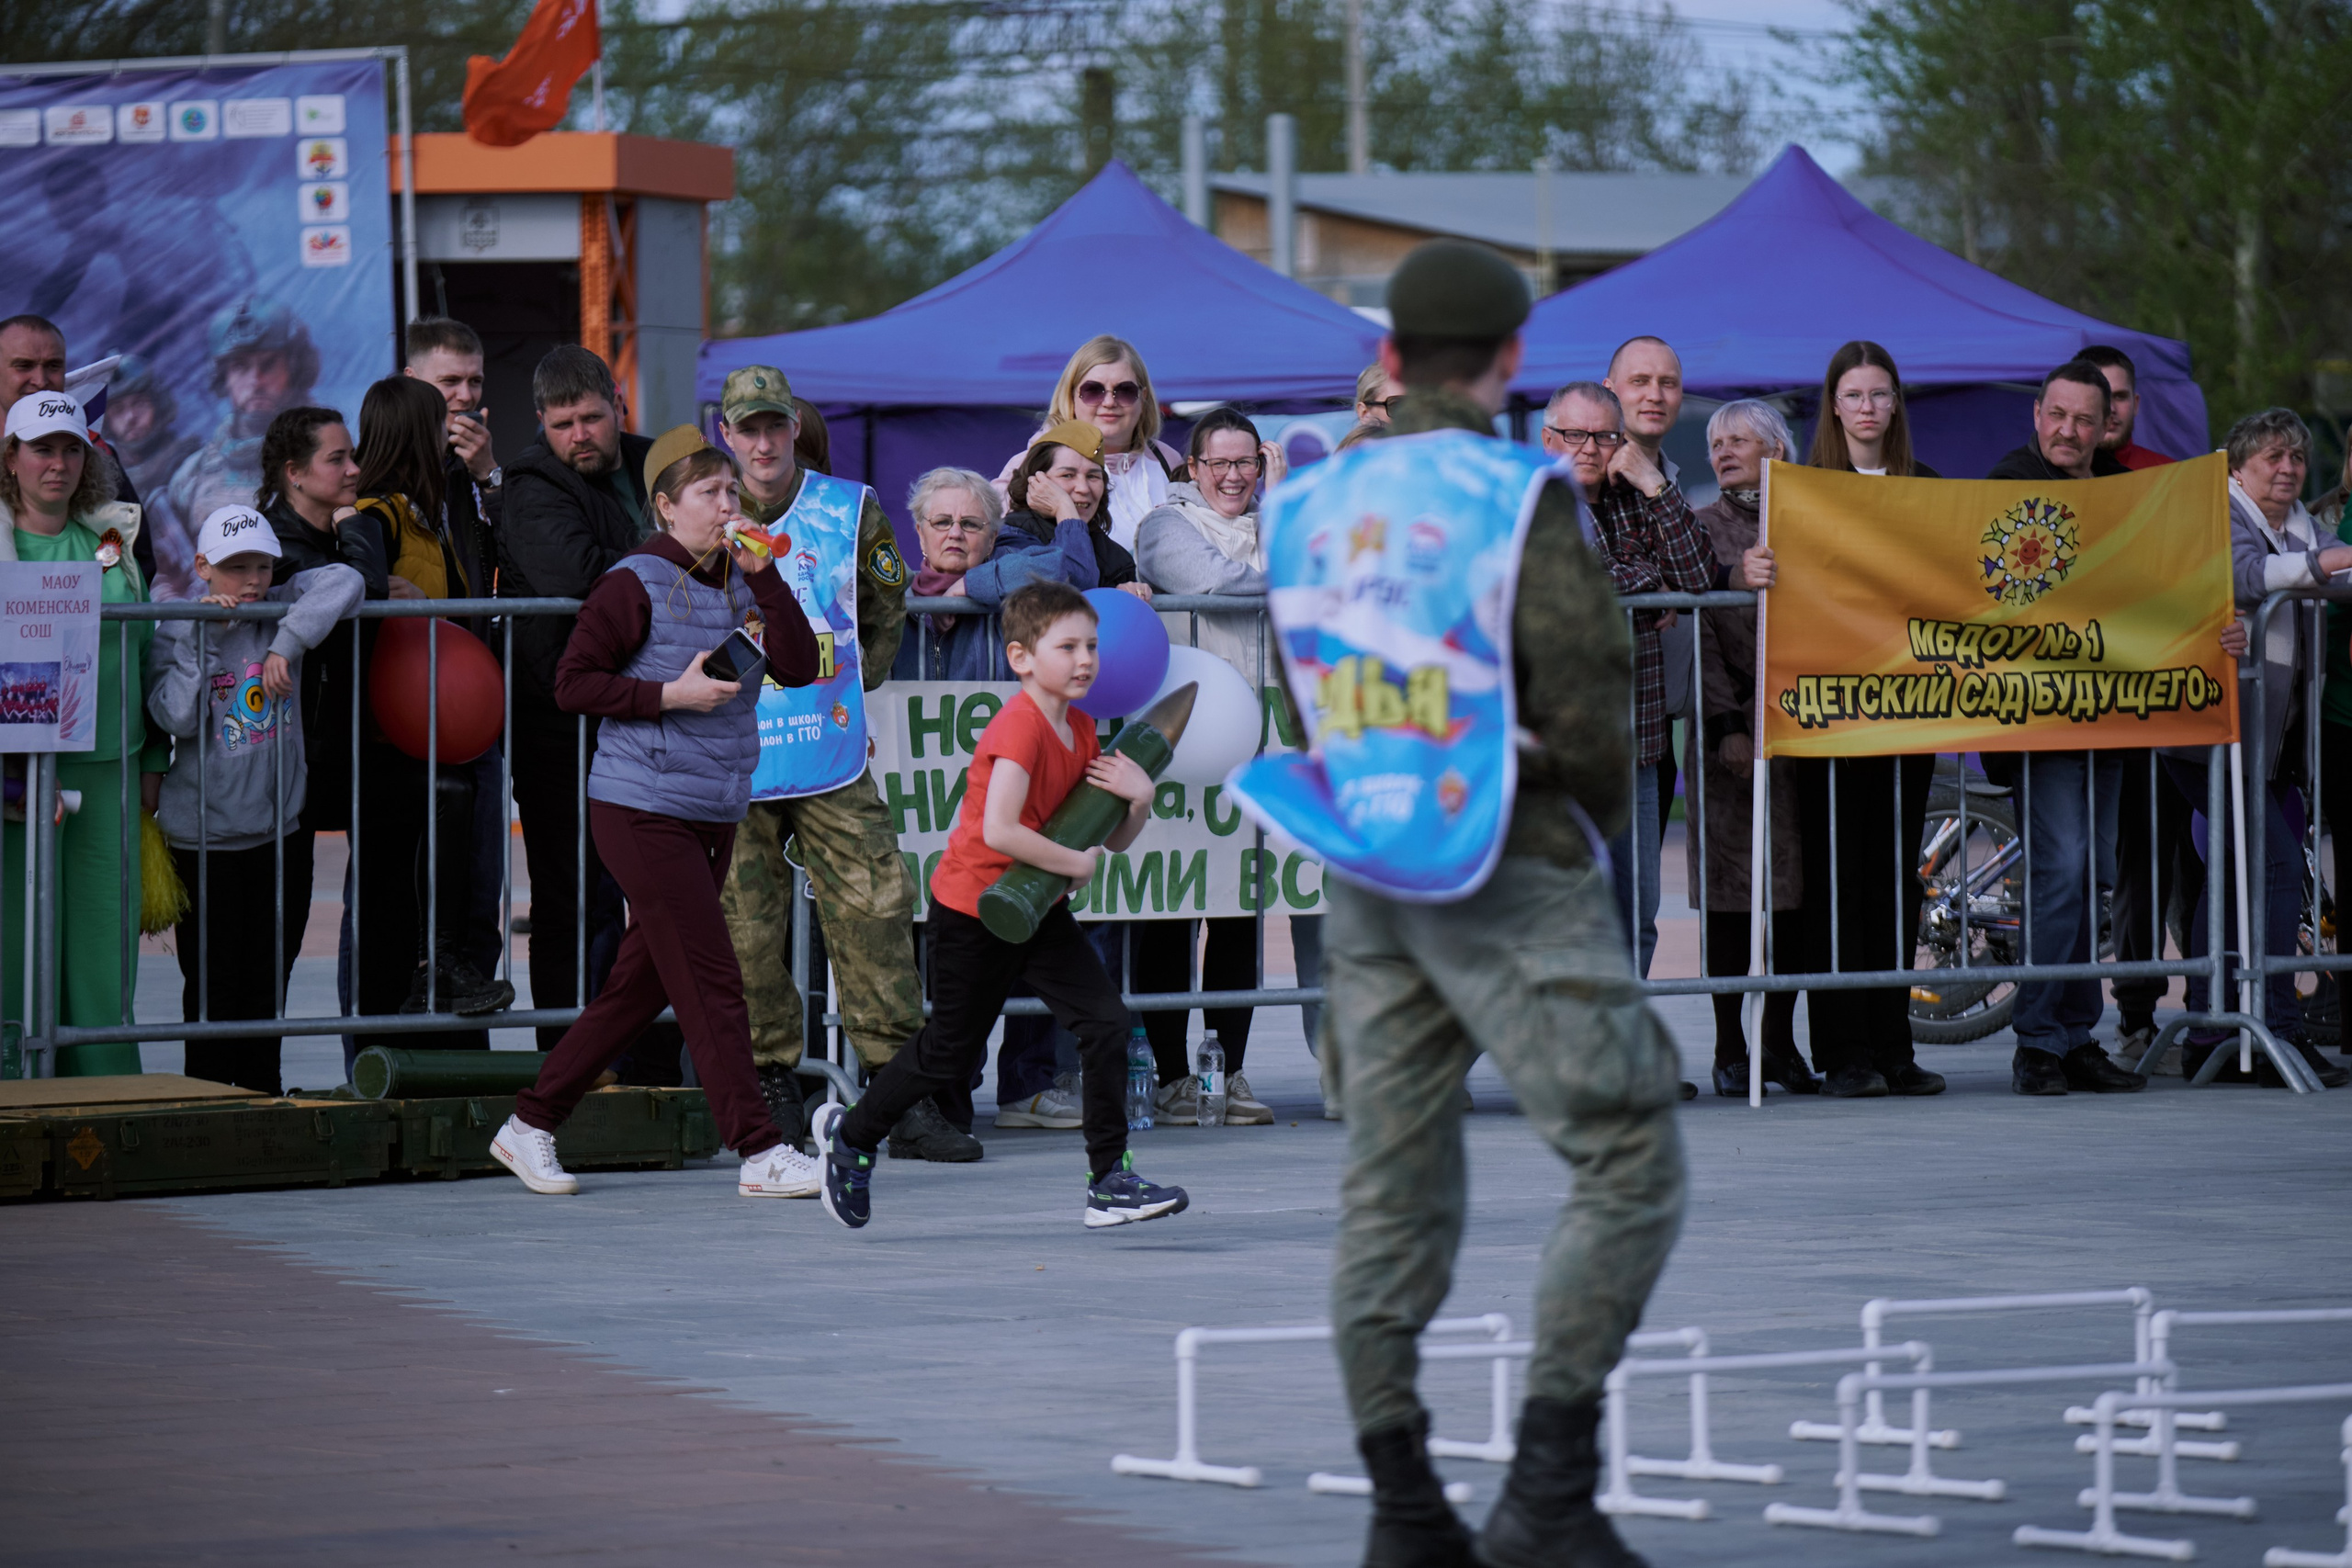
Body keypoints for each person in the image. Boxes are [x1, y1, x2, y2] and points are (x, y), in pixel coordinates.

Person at [1259, 240, 1683, 1568]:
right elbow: (1590, 687)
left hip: (1369, 862)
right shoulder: (1516, 492)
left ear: (1388, 359)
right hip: (1507, 855)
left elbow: (1300, 676)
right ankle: (1549, 1489)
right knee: (1628, 1152)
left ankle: (1404, 1504)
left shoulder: (1310, 504)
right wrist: (1582, 819)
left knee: (1389, 1187)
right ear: (1509, 362)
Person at [492, 426, 825, 1199]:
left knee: (640, 988)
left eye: (733, 491)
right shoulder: (632, 581)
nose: (727, 504)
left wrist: (767, 580)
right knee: (713, 979)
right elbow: (573, 683)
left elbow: (802, 667)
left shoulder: (744, 578)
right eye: (710, 492)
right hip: (640, 803)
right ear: (668, 507)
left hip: (709, 805)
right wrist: (670, 693)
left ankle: (531, 1121)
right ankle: (760, 1149)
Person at [813, 581, 1190, 1231]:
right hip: (975, 908)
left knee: (1103, 1024)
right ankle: (852, 1138)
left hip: (1036, 905)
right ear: (1020, 657)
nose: (1085, 660)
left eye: (1092, 646)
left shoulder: (1079, 727)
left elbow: (1109, 840)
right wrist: (1076, 865)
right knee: (948, 1053)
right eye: (1067, 645)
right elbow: (1000, 830)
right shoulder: (1018, 726)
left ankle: (1109, 1179)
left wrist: (1140, 798)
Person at [707, 367, 974, 1162]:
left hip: (829, 749)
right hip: (736, 757)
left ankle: (901, 1094)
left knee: (874, 912)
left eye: (774, 426)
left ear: (794, 425)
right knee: (746, 930)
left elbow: (886, 602)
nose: (762, 443)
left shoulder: (847, 508)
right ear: (727, 433)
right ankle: (770, 1091)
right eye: (747, 428)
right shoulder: (705, 507)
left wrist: (856, 683)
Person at [148, 505, 362, 1095]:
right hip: (205, 842)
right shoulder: (179, 624)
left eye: (262, 566)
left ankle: (263, 1098)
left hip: (279, 837)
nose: (251, 581)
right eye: (235, 567)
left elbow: (347, 579)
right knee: (214, 989)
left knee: (271, 982)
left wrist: (284, 644)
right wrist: (200, 638)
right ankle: (210, 1100)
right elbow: (175, 718)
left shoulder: (280, 605)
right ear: (202, 567)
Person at [1786, 341, 1951, 1100]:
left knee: (1894, 881)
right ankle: (1843, 1048)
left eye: (1880, 394)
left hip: (1906, 715)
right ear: (1833, 405)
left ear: (1896, 404)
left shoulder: (1928, 487)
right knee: (1835, 883)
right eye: (1853, 395)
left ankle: (1893, 1042)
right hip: (1825, 719)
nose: (1867, 408)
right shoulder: (1806, 490)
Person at [1979, 360, 2148, 1095]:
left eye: (2085, 419)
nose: (2070, 431)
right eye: (2059, 415)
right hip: (2036, 723)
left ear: (2105, 423)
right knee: (2061, 873)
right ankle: (2040, 1041)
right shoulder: (2007, 481)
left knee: (2094, 877)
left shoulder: (2125, 492)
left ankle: (2077, 1034)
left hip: (2107, 715)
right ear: (2037, 414)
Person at [2170, 409, 2350, 1089]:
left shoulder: (2300, 524)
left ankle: (2211, 1028)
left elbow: (2335, 570)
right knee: (2274, 867)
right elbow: (2244, 577)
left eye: (2297, 458)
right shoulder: (2218, 518)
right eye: (2272, 457)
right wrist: (2318, 566)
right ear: (2238, 466)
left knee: (2232, 873)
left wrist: (2324, 565)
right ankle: (2277, 1026)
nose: (2287, 468)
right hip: (2208, 737)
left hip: (2271, 745)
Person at [0, 391, 169, 1076]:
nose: (59, 463)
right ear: (10, 458)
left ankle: (105, 1093)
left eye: (72, 449)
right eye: (42, 449)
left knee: (102, 953)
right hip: (14, 779)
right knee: (13, 949)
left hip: (108, 771)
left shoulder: (111, 541)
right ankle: (12, 1094)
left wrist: (154, 756)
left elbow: (146, 648)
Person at [1132, 405, 1291, 1126]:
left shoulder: (1277, 520)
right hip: (1184, 740)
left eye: (1245, 462)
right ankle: (1170, 1076)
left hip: (1262, 740)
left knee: (1237, 916)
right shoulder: (1166, 524)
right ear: (1191, 469)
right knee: (1172, 912)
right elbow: (1216, 582)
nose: (1232, 476)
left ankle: (1229, 1070)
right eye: (1217, 463)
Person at [346, 375, 514, 1034]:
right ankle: (425, 971)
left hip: (443, 723)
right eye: (438, 421)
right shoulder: (376, 513)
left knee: (453, 831)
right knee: (403, 871)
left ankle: (440, 969)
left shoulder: (434, 510)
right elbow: (354, 583)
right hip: (397, 731)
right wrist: (376, 580)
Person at [498, 346, 654, 1049]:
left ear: (618, 401)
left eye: (592, 417)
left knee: (650, 899)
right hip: (559, 718)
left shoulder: (658, 463)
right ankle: (568, 1055)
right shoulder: (530, 482)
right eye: (563, 424)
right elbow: (586, 573)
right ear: (541, 423)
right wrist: (668, 551)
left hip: (650, 711)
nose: (580, 435)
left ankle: (644, 1051)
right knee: (573, 899)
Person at [1540, 375, 1713, 977]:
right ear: (1547, 438)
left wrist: (1654, 482)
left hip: (1635, 750)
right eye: (1574, 435)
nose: (1588, 448)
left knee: (1636, 915)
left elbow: (1697, 576)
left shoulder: (1636, 498)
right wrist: (1647, 582)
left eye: (1605, 436)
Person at [1690, 400, 1816, 1099]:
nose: (1724, 451)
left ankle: (1780, 1042)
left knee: (1793, 897)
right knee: (1732, 899)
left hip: (1803, 732)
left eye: (1740, 439)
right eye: (1716, 442)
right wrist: (1724, 723)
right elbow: (1701, 640)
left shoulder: (1810, 520)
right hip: (1734, 739)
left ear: (1778, 451)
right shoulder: (1703, 529)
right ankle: (1729, 1045)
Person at [401, 316, 508, 987]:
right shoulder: (379, 465)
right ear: (412, 384)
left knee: (477, 888)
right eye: (448, 382)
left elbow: (516, 559)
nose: (464, 397)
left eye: (473, 381)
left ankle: (467, 1033)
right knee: (402, 894)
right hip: (405, 707)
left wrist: (489, 475)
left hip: (477, 704)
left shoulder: (484, 470)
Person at [256, 406, 388, 856]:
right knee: (288, 898)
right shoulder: (274, 546)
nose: (354, 469)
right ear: (294, 472)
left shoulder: (335, 534)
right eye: (337, 459)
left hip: (346, 738)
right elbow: (362, 588)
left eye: (352, 456)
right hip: (299, 744)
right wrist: (353, 518)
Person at [162, 297, 322, 602]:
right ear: (223, 378)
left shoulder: (329, 463)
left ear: (295, 367)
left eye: (268, 365)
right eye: (240, 367)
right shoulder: (192, 477)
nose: (255, 381)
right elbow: (167, 572)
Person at [0, 313, 161, 586]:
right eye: (23, 366)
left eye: (53, 366)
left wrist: (89, 590)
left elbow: (135, 551)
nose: (40, 380)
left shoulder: (95, 450)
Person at [994, 337, 1182, 551]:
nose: (1109, 402)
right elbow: (994, 545)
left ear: (1143, 397)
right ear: (1071, 396)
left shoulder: (1168, 460)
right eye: (1094, 391)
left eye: (1125, 391)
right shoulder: (1027, 466)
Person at [896, 468, 1015, 680]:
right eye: (942, 522)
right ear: (921, 534)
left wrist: (973, 585)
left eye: (970, 524)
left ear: (991, 540)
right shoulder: (890, 601)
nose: (955, 533)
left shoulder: (1013, 605)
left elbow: (1066, 571)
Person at [102, 355, 199, 505]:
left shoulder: (197, 462)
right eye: (118, 410)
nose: (130, 417)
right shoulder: (111, 494)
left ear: (159, 406)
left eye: (140, 404)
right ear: (108, 424)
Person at [2078, 344, 2174, 471]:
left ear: (2135, 404)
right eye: (2097, 396)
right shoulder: (2048, 476)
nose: (2110, 408)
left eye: (2120, 397)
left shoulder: (2169, 475)